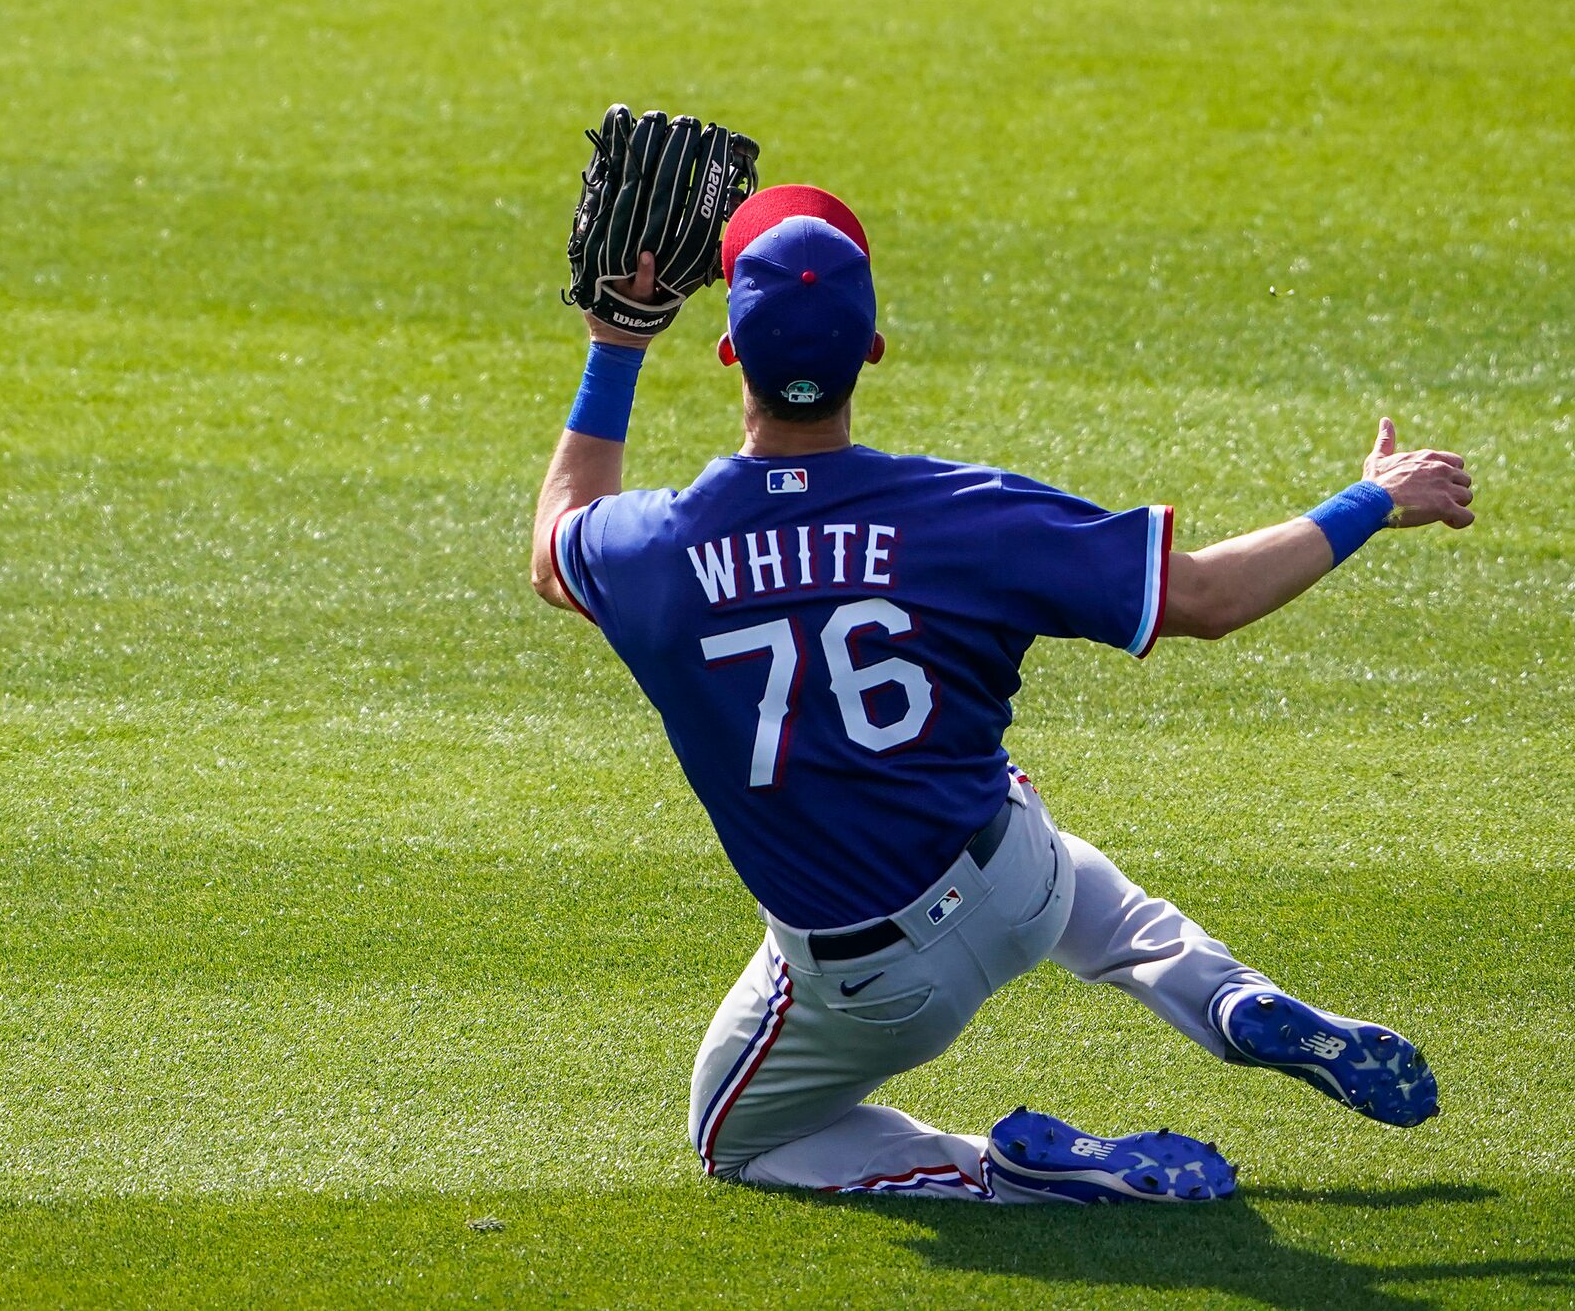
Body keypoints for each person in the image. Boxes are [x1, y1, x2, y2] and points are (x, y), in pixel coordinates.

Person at [528, 184, 1475, 1203]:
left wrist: (617, 339)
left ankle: (1010, 1173)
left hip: (869, 988)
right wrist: (1372, 497)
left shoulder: (653, 548)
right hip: (1014, 882)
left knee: (734, 1138)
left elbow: (556, 543)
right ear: (873, 351)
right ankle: (1224, 995)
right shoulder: (966, 514)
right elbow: (1207, 596)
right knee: (1033, 840)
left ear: (729, 355)